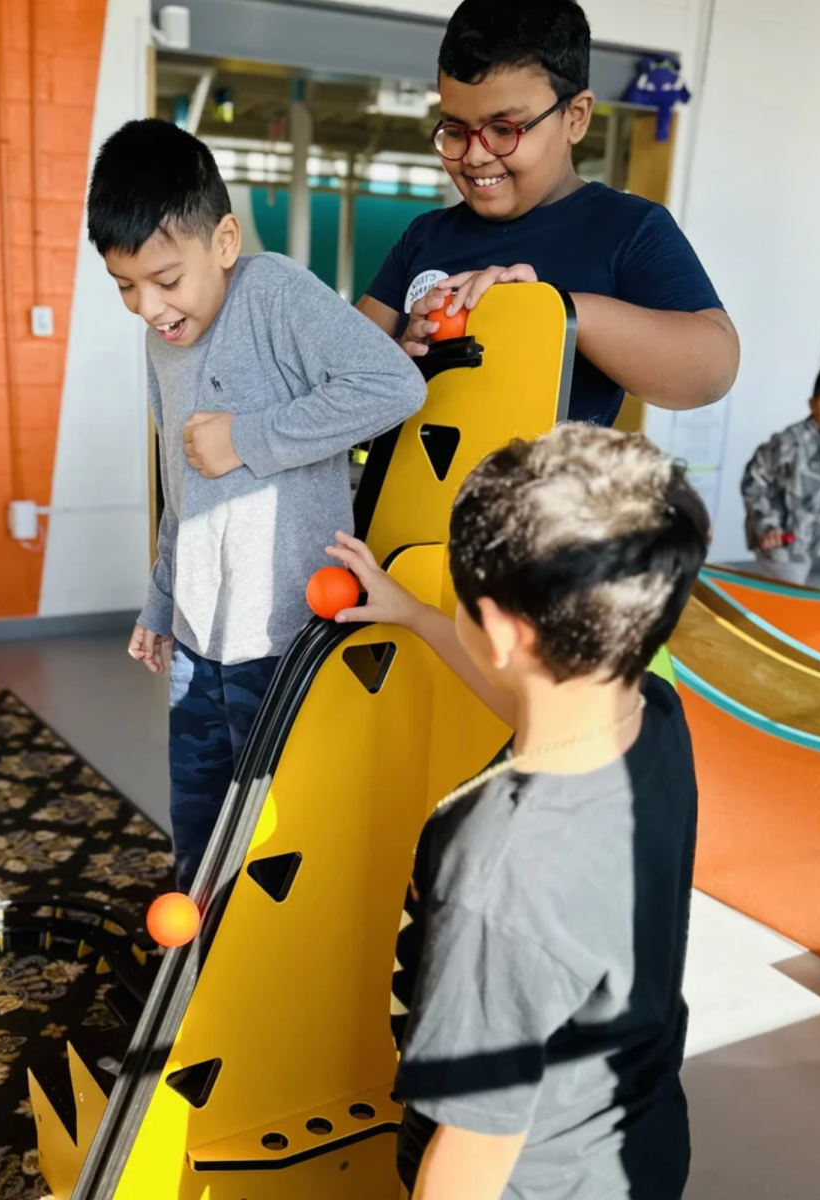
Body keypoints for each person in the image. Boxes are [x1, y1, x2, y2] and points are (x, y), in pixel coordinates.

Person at [326, 423, 708, 1200]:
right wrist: (415, 615)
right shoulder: (650, 714)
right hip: (636, 1139)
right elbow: (524, 690)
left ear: (501, 628)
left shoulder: (496, 866)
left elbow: (471, 1157)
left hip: (533, 1179)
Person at [86, 119, 426, 891]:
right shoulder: (160, 344)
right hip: (199, 640)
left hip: (282, 639)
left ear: (226, 240)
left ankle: (269, 985)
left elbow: (393, 387)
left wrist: (251, 438)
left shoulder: (272, 293)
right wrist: (160, 600)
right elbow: (182, 487)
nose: (147, 306)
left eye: (166, 281)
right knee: (200, 832)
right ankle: (202, 978)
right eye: (126, 287)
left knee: (277, 837)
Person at [357, 0, 739, 427]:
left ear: (575, 117)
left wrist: (556, 308)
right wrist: (399, 351)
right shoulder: (426, 235)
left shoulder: (626, 228)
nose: (476, 156)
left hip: (540, 494)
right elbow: (343, 370)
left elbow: (711, 371)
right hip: (408, 492)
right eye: (456, 131)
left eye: (504, 130)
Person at [740, 365, 820, 585]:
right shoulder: (788, 442)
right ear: (813, 403)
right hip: (779, 544)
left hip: (808, 546)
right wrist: (767, 525)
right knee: (783, 597)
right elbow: (753, 481)